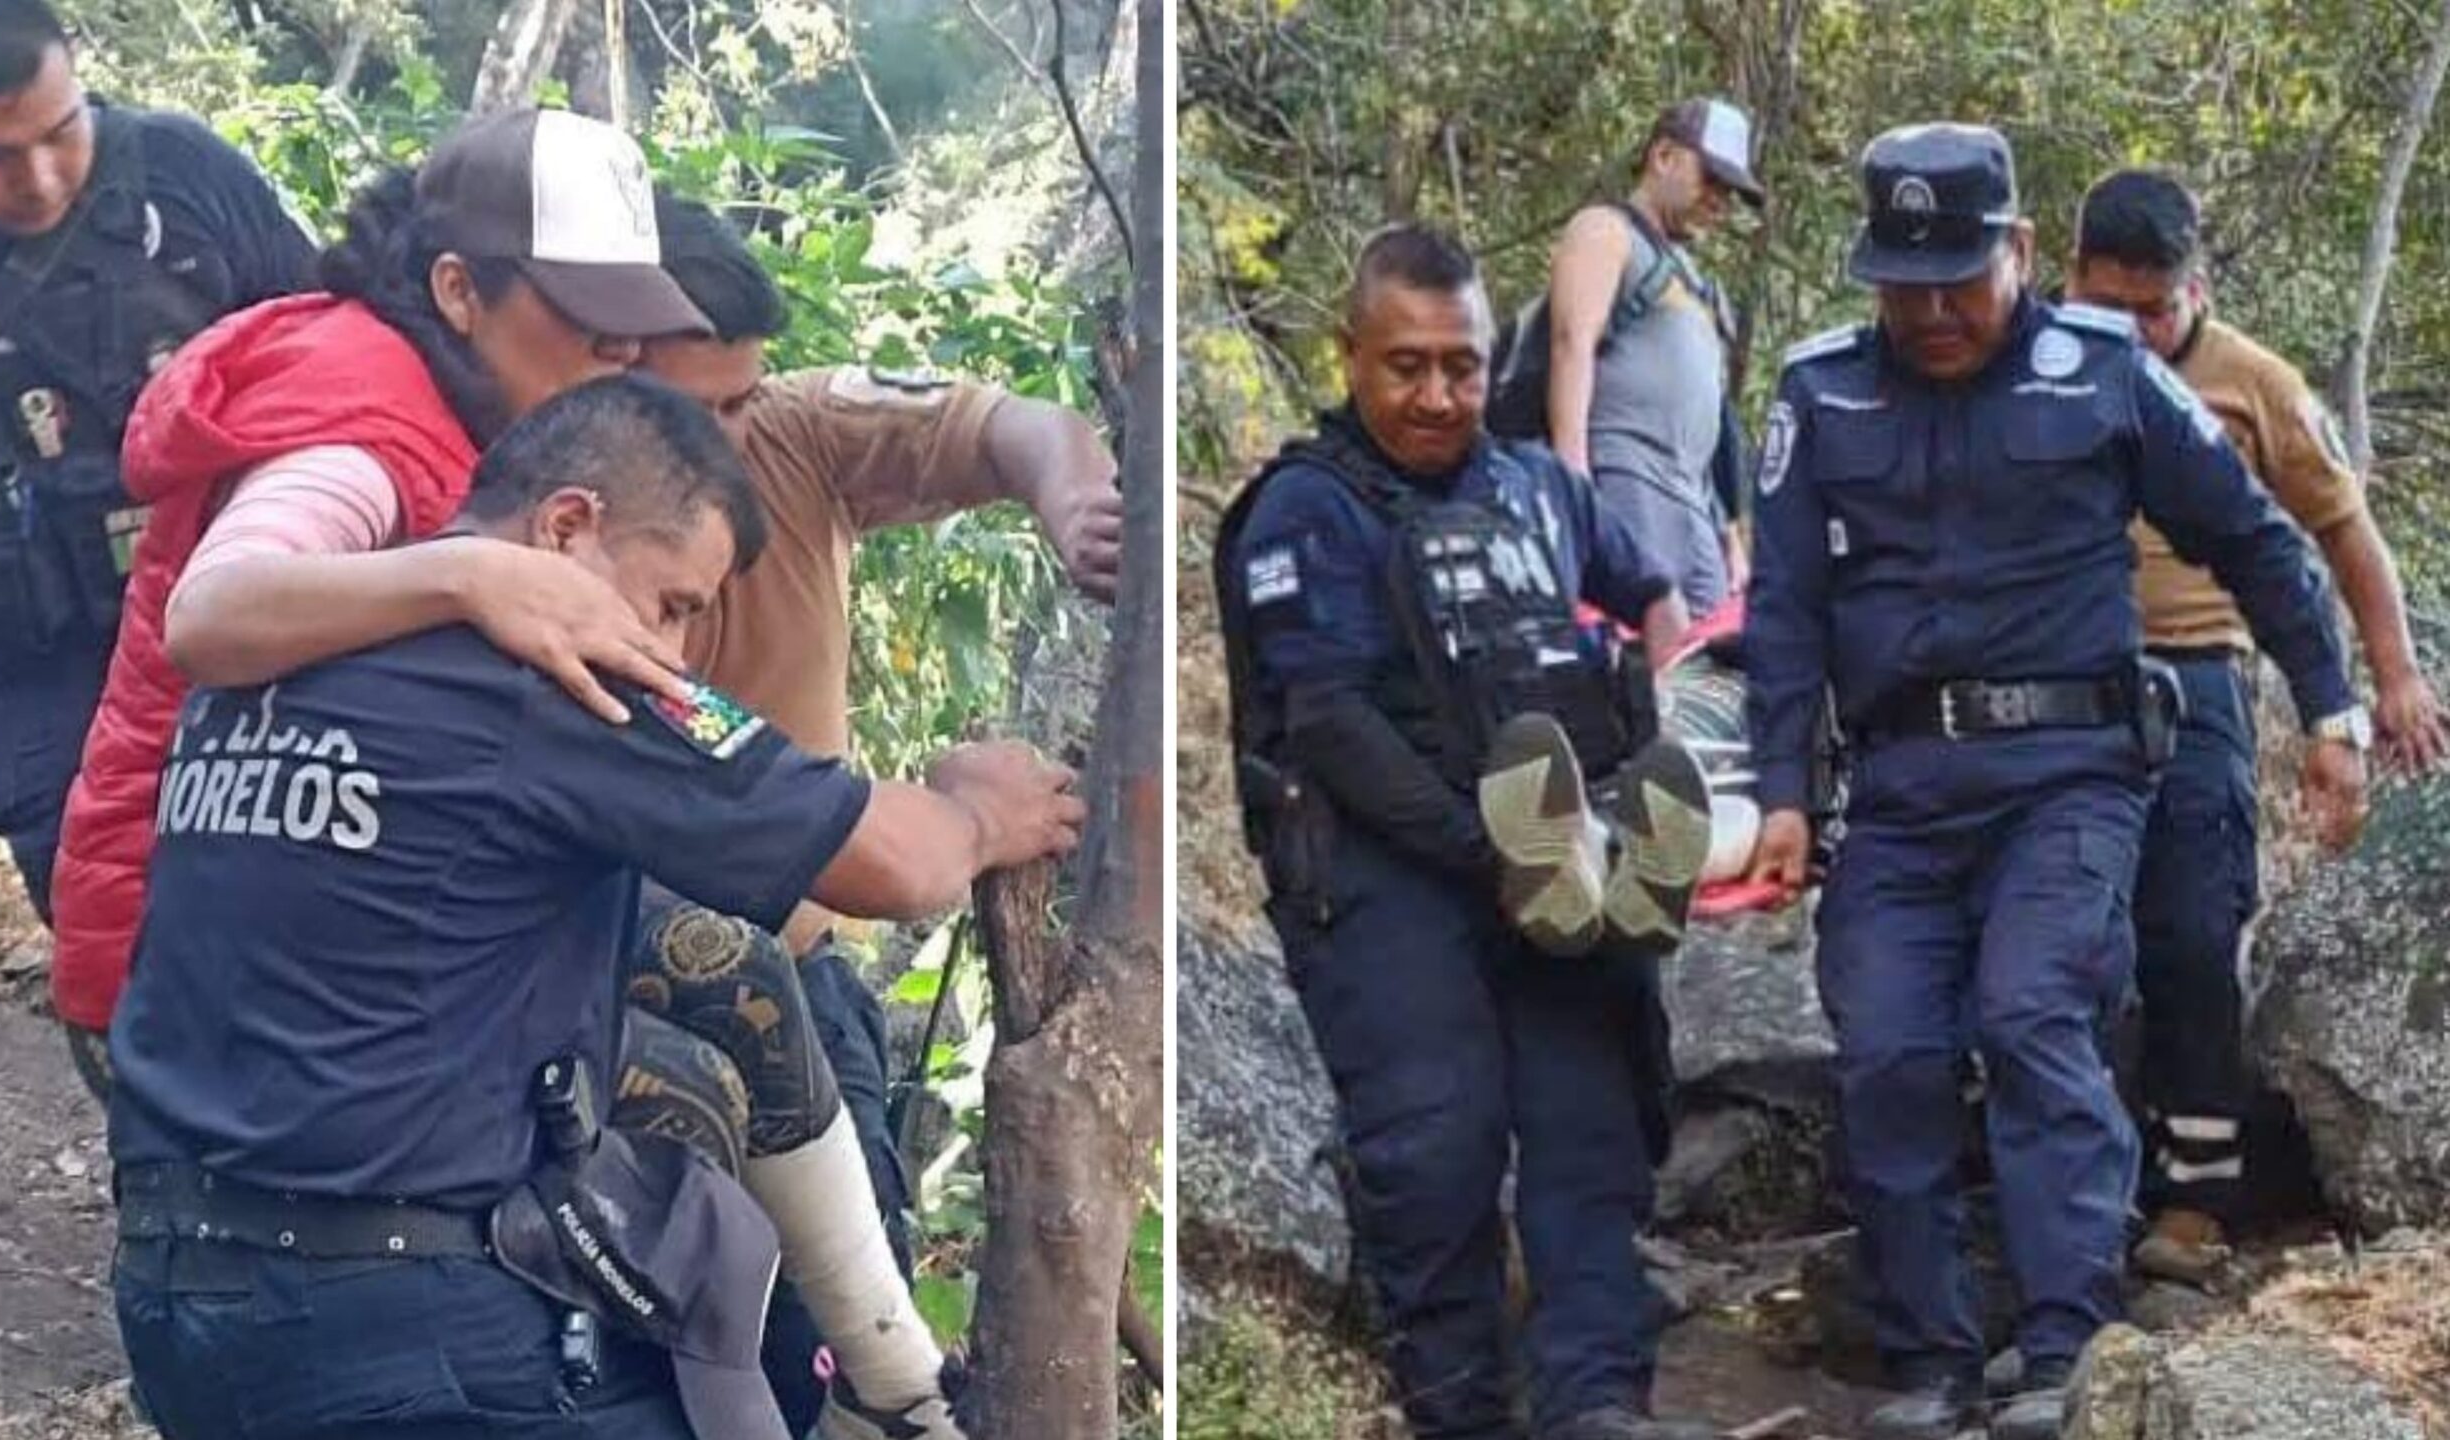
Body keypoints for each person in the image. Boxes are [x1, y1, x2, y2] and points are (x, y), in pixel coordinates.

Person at [106, 373, 1085, 1440]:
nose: (670, 651)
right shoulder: (554, 680)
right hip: (401, 1331)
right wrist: (982, 813)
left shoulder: (273, 661)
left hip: (177, 1304)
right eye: (672, 605)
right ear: (569, 526)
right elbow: (891, 865)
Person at [1744, 124, 2368, 1440]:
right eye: (1903, 285)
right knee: (1894, 1049)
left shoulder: (2105, 376)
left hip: (2068, 775)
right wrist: (1781, 789)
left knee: (2035, 1014)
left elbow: (2260, 543)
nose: (1931, 314)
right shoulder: (1821, 394)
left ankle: (2065, 1344)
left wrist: (2333, 707)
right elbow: (1786, 608)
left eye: (1959, 281)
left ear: (2021, 253)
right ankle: (1925, 1358)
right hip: (1899, 787)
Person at [45, 105, 711, 1094]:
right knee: (686, 1087)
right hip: (197, 958)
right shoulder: (357, 420)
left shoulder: (477, 406)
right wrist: (468, 574)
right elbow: (213, 613)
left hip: (301, 907)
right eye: (586, 310)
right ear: (458, 291)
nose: (622, 349)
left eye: (635, 318)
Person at [1218, 222, 1716, 1440]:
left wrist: (1678, 709)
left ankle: (1599, 1405)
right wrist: (1486, 852)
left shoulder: (1540, 486)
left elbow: (1651, 589)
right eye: (1408, 366)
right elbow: (1328, 728)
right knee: (1435, 1148)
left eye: (1462, 364)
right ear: (1350, 355)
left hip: (1568, 861)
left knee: (1587, 1131)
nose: (1440, 395)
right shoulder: (1304, 512)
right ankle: (1462, 1414)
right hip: (1393, 876)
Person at [636, 192, 1122, 1431]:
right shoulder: (542, 542)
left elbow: (1017, 426)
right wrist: (959, 821)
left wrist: (1071, 501)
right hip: (618, 1019)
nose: (721, 452)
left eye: (739, 406)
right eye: (688, 416)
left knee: (843, 1361)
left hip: (802, 988)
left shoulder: (798, 434)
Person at [2064, 167, 2449, 1284]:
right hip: (2054, 682)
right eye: (2111, 301)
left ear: (2198, 285)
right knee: (2066, 944)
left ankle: (2193, 1198)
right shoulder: (2036, 365)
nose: (2135, 327)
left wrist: (2389, 682)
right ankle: (2070, 1183)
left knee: (2190, 933)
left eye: (2157, 306)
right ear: (2067, 271)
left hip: (2195, 681)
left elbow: (2341, 527)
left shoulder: (2255, 385)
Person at [0, 0, 315, 918]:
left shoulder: (181, 173)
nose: (41, 180)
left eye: (60, 131)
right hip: (45, 667)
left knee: (315, 927)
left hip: (265, 618)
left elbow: (334, 355)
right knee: (122, 955)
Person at [1517, 97, 1764, 613]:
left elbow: (1706, 426)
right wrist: (1574, 483)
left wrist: (1729, 535)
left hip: (1692, 500)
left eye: (1730, 191)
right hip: (1626, 477)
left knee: (1706, 674)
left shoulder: (1696, 283)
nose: (1720, 200)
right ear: (1664, 156)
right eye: (1711, 178)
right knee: (1636, 657)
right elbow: (1571, 345)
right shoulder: (1606, 231)